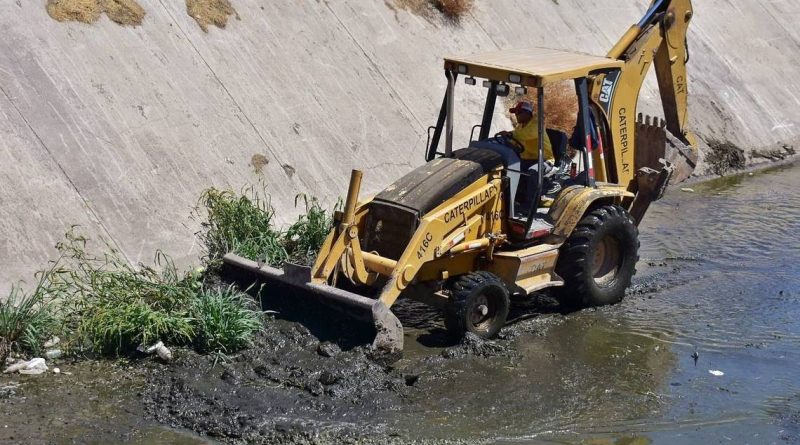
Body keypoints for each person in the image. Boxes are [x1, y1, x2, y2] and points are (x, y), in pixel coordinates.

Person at [499, 100, 554, 211]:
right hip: (526, 160)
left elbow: (527, 134)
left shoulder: (536, 124)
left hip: (543, 160)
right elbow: (516, 140)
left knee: (533, 172)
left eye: (518, 113)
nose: (516, 115)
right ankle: (513, 199)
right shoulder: (520, 127)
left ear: (527, 113)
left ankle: (530, 205)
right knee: (508, 169)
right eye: (515, 113)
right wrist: (506, 140)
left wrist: (510, 134)